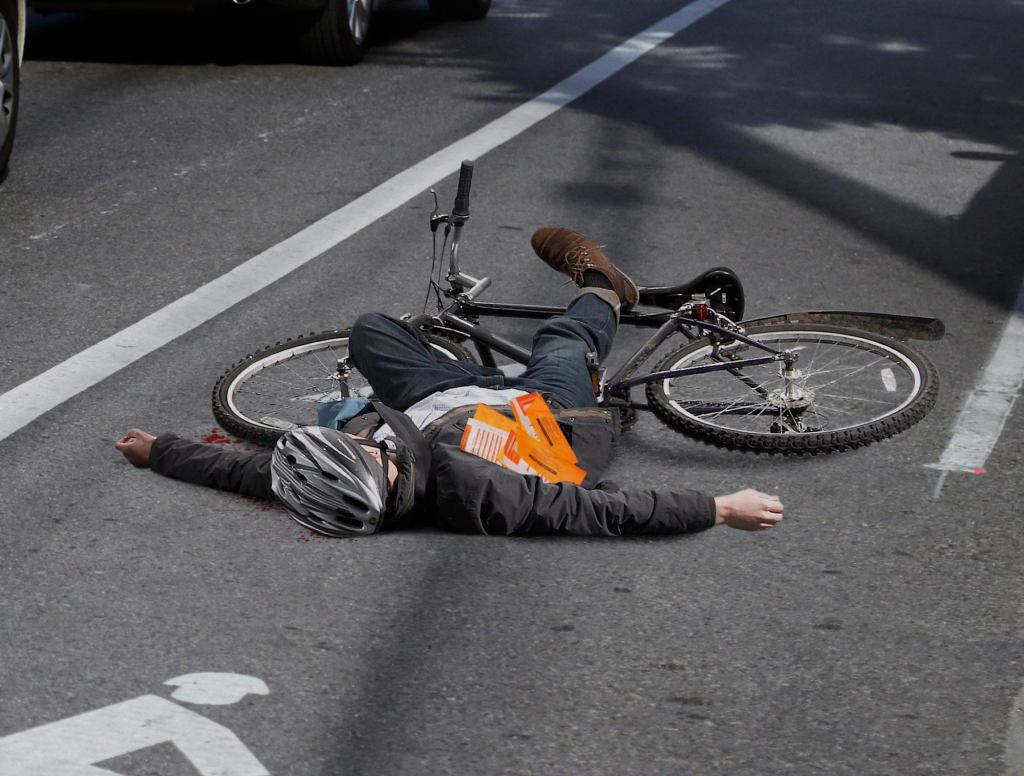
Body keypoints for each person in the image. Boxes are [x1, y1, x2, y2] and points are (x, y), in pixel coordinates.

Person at [117, 228, 783, 537]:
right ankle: (606, 290)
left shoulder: (326, 479)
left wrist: (160, 451)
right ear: (378, 471)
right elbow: (601, 511)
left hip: (440, 400)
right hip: (546, 417)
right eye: (355, 445)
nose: (348, 438)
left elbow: (242, 472)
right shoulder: (479, 491)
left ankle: (471, 350)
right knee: (562, 341)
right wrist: (720, 508)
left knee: (373, 329)